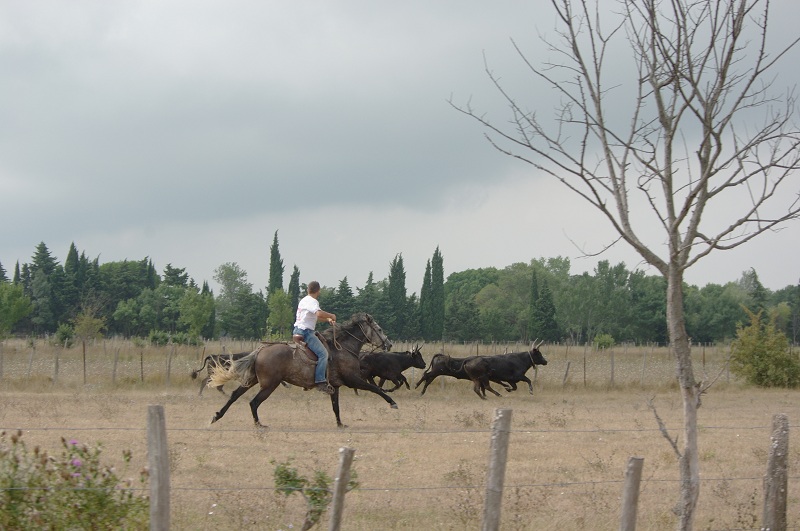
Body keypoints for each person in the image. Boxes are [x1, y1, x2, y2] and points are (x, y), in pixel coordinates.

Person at [293, 281, 337, 394]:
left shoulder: (304, 300)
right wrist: (331, 315)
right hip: (306, 333)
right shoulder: (313, 301)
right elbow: (318, 314)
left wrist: (327, 319)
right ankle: (320, 381)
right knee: (323, 354)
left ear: (308, 290)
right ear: (318, 291)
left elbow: (315, 317)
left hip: (297, 331)